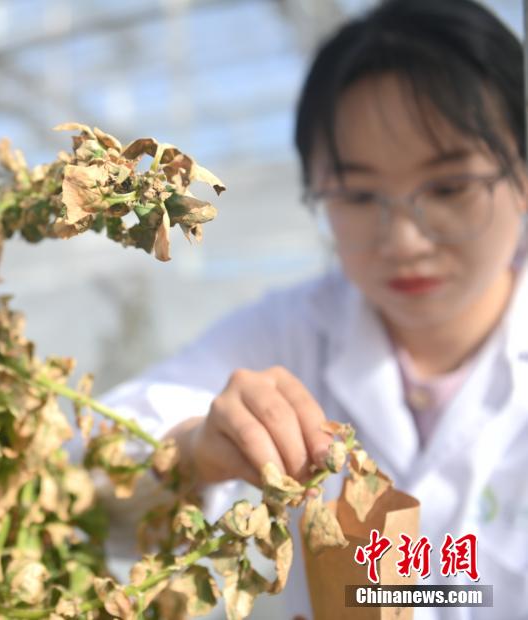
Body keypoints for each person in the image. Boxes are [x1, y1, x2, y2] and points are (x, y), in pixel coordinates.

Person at [98, 0, 528, 617]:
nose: (404, 240)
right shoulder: (287, 332)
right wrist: (194, 450)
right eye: (357, 194)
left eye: (450, 187)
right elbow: (95, 456)